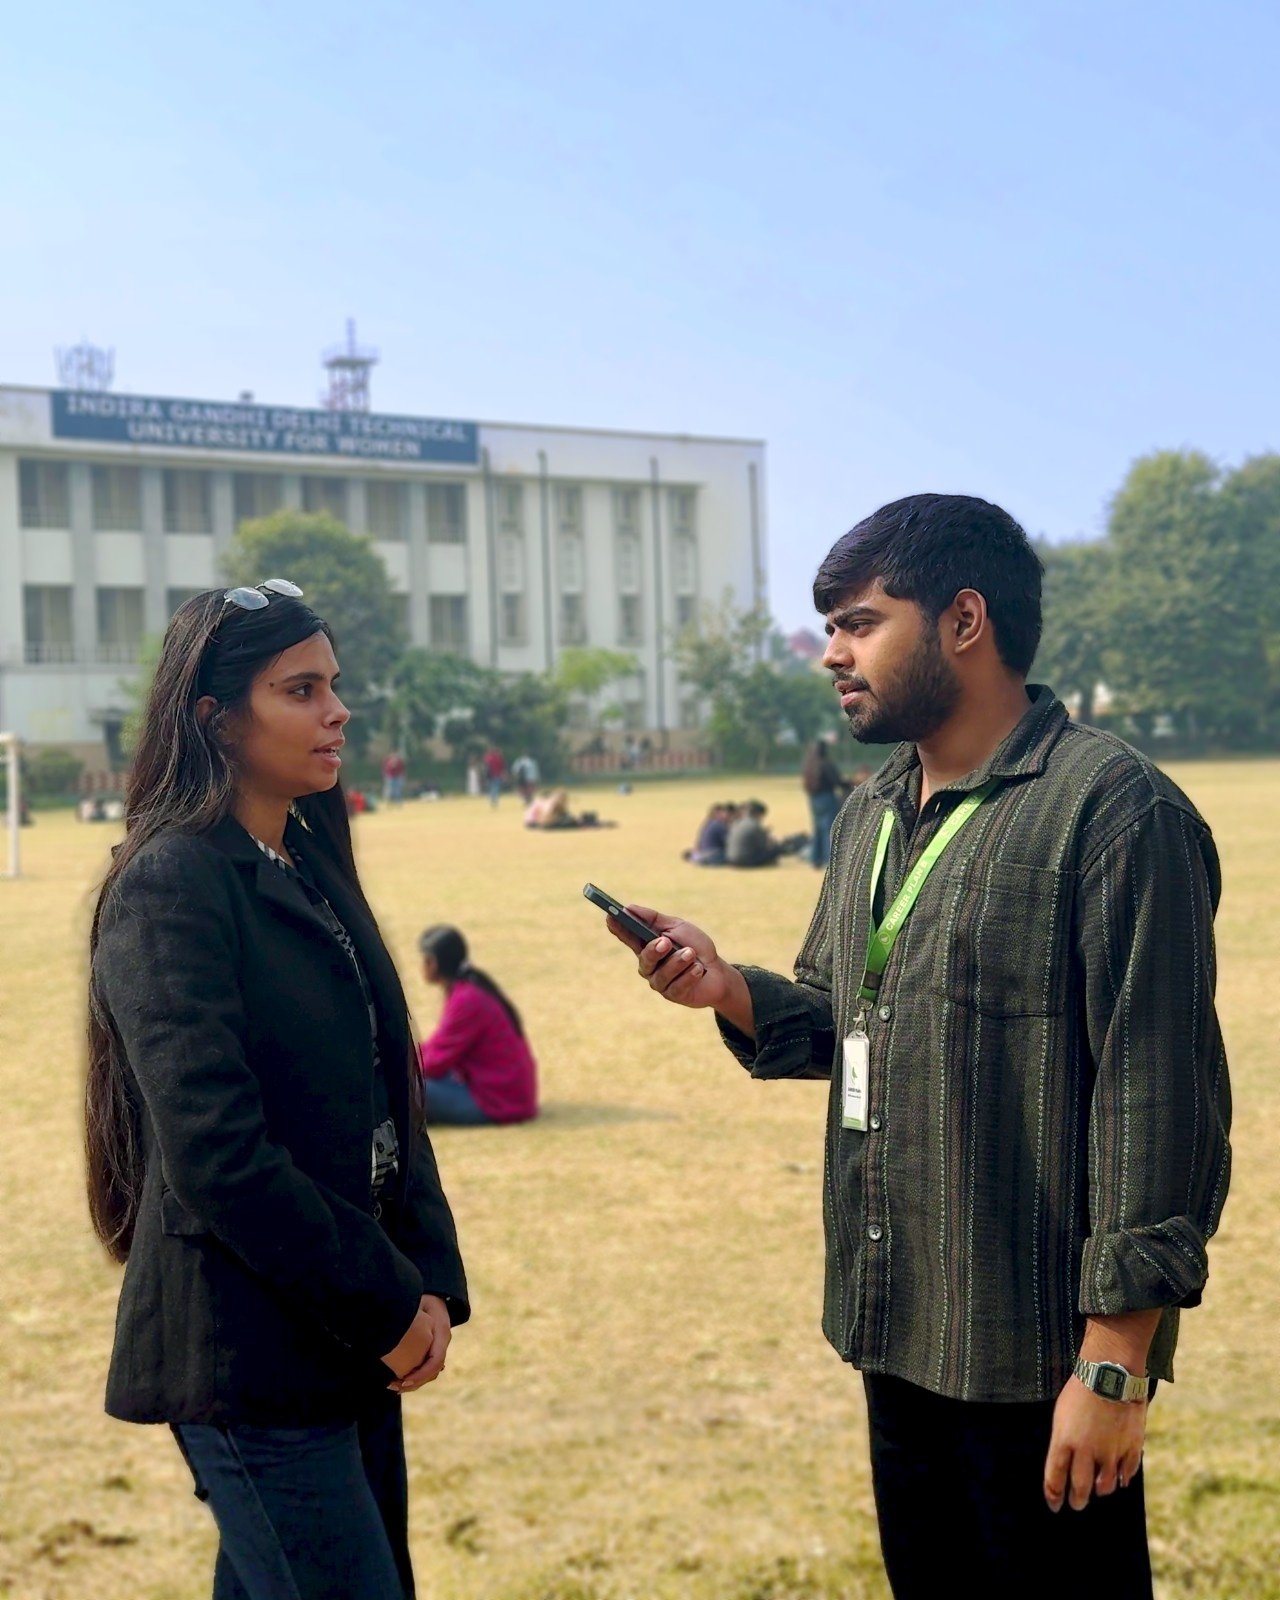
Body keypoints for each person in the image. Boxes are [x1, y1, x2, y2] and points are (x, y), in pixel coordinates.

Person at [606, 494, 1231, 1599]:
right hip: (893, 1327)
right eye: (830, 627)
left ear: (962, 620)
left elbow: (1156, 1097)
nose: (832, 654)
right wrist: (722, 987)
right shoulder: (872, 810)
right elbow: (837, 1015)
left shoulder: (1112, 813)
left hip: (1034, 1354)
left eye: (857, 622)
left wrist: (1114, 1357)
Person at [85, 580, 469, 1600]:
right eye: (300, 688)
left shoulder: (301, 858)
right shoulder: (169, 882)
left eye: (334, 684)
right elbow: (218, 1154)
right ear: (213, 716)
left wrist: (423, 1274)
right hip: (245, 1350)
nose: (336, 709)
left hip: (338, 1333)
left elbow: (391, 1094)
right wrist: (383, 1297)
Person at [418, 926, 538, 1125]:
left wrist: (398, 1065)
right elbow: (438, 1047)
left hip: (498, 1101)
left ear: (437, 963)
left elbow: (437, 1061)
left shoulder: (467, 999)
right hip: (504, 1094)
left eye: (426, 959)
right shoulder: (469, 988)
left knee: (402, 1088)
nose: (422, 966)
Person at [801, 732, 844, 868]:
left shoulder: (809, 765)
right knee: (828, 829)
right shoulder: (825, 764)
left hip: (813, 799)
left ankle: (815, 858)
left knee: (817, 828)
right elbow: (836, 781)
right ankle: (828, 860)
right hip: (827, 797)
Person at [725, 799, 785, 867]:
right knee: (777, 849)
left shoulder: (737, 822)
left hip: (731, 860)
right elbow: (763, 846)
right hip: (745, 861)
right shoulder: (755, 825)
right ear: (759, 814)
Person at [683, 801, 734, 865]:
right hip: (713, 856)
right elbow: (729, 843)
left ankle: (696, 858)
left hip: (703, 855)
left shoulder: (708, 824)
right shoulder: (719, 825)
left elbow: (698, 843)